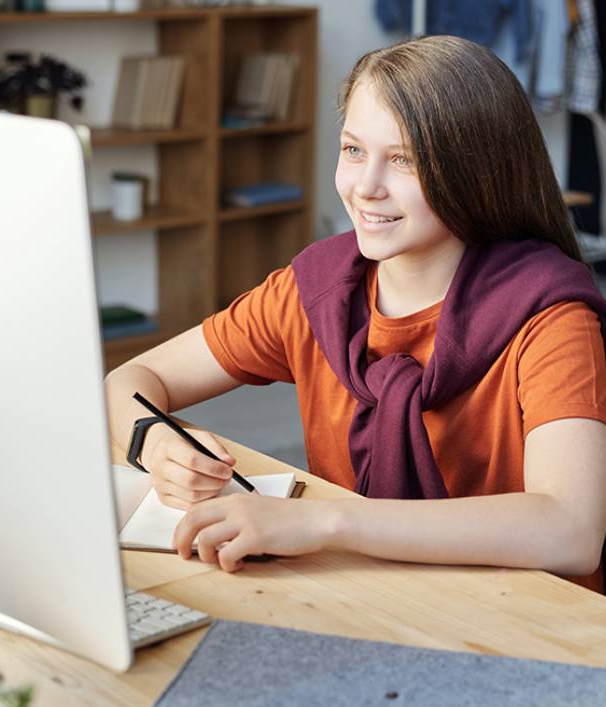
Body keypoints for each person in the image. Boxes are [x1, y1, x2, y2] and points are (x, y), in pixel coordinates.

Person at [105, 36, 606, 592]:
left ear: (475, 169)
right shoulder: (316, 290)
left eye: (404, 160)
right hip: (365, 595)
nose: (365, 187)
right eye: (353, 150)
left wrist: (324, 521)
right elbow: (129, 380)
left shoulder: (552, 319)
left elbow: (570, 530)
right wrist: (153, 440)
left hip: (527, 624)